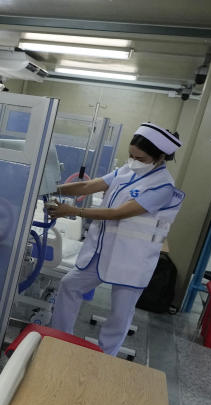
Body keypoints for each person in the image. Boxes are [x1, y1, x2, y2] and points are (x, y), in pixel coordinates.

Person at [46, 123, 186, 356]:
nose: (132, 160)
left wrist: (72, 212)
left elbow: (118, 213)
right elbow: (89, 185)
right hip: (101, 251)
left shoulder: (163, 187)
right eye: (130, 154)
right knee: (69, 285)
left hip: (132, 259)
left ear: (160, 157)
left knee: (120, 314)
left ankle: (105, 357)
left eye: (139, 157)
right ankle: (61, 341)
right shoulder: (126, 171)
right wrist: (52, 188)